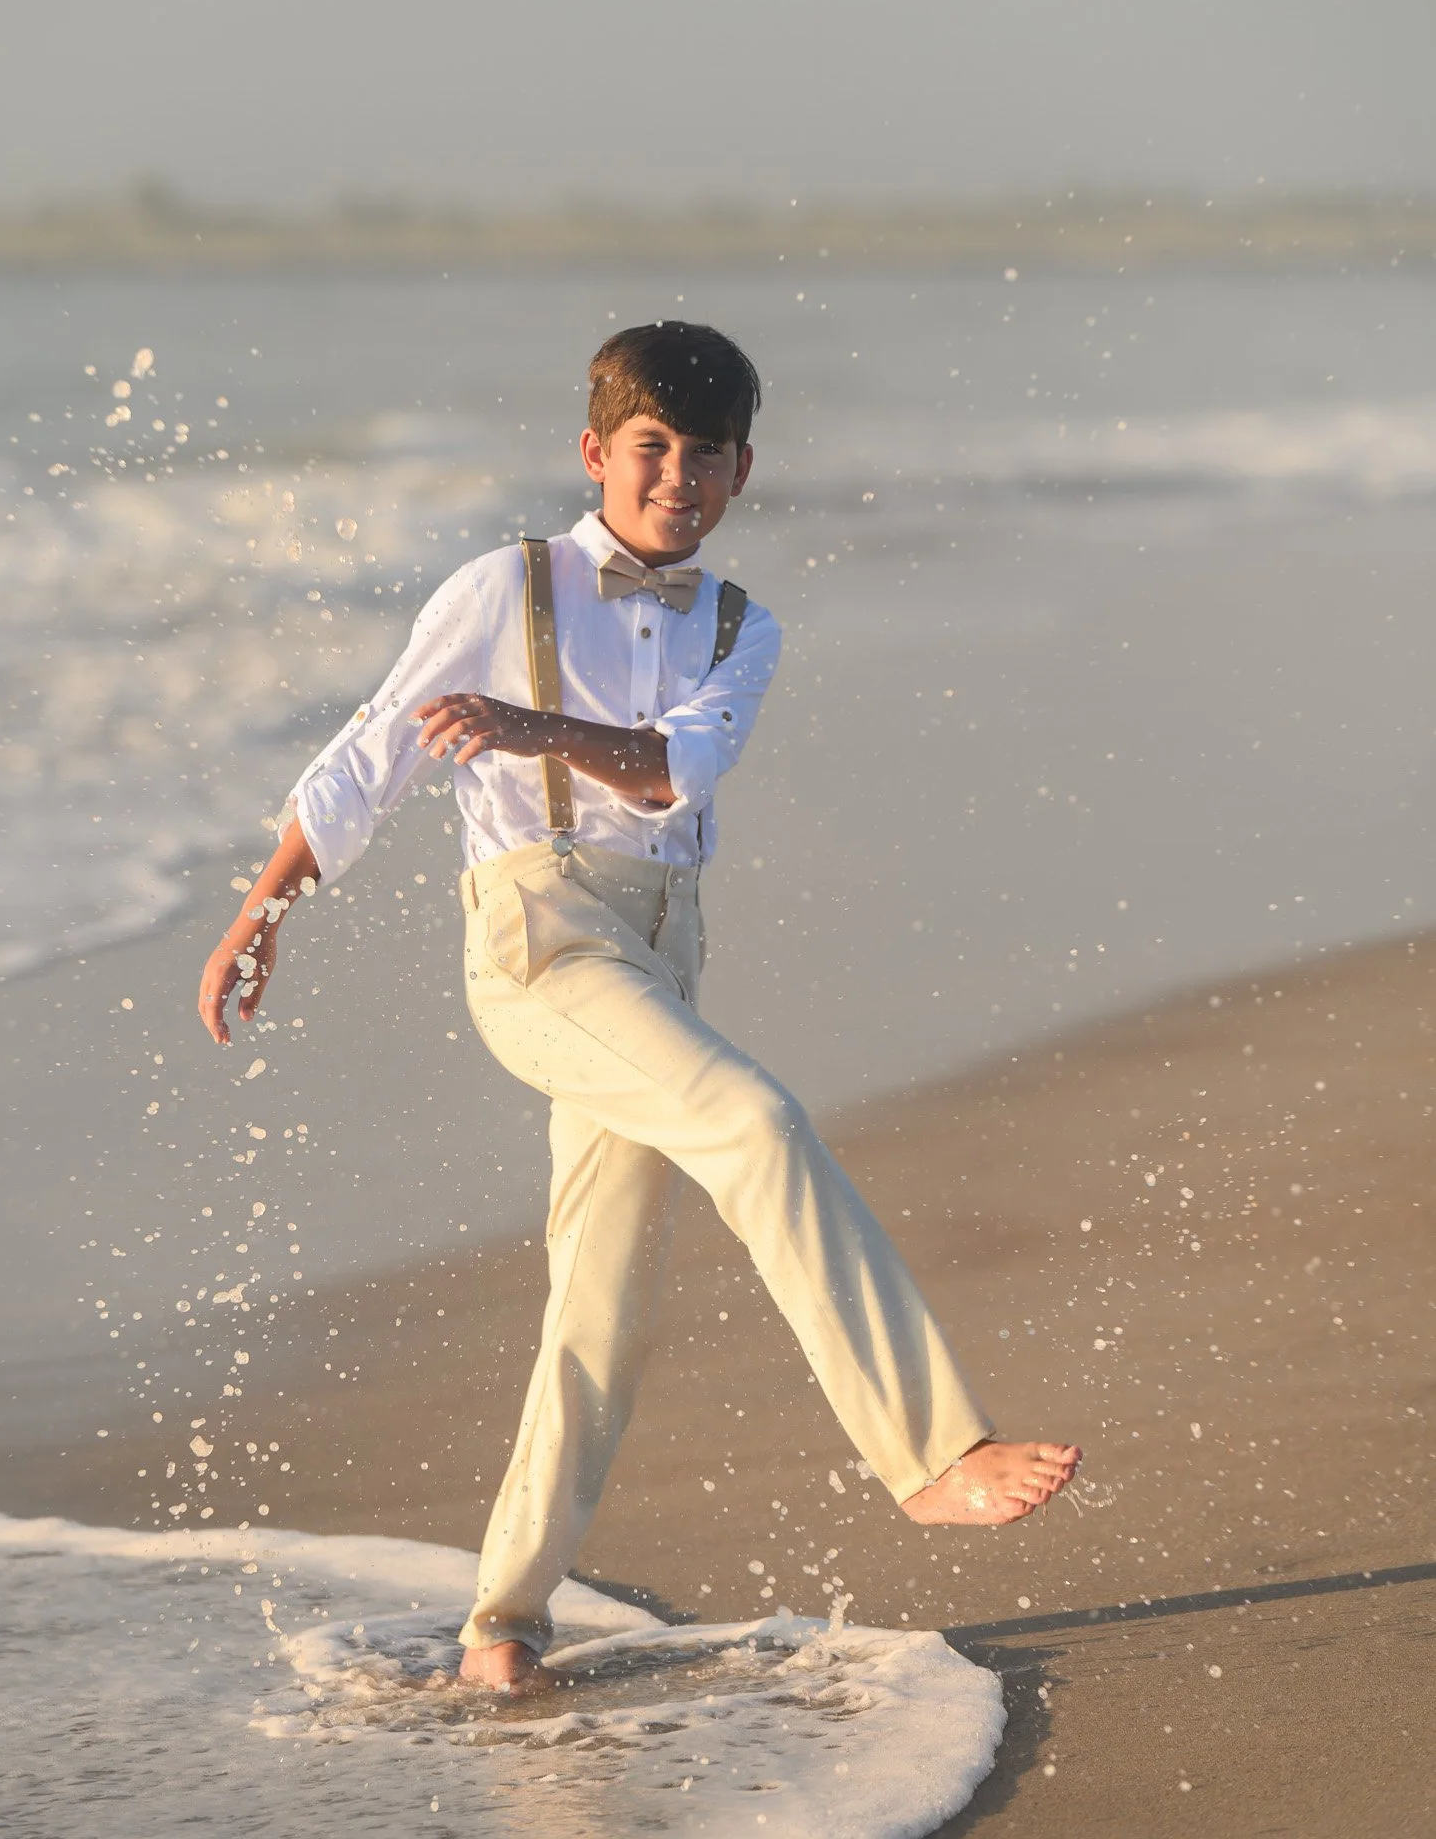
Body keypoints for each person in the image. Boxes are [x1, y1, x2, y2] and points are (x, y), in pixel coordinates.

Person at [198, 320, 1081, 1691]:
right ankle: (924, 1451)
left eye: (704, 454)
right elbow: (373, 747)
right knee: (755, 1119)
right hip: (541, 949)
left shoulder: (743, 624)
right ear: (595, 452)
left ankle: (499, 1625)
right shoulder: (507, 585)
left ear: (740, 471)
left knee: (598, 1299)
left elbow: (677, 772)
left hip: (663, 950)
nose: (675, 475)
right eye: (650, 448)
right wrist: (266, 907)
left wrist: (536, 730)